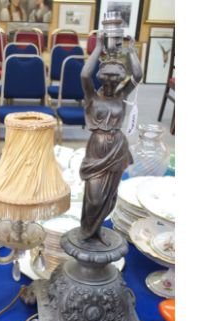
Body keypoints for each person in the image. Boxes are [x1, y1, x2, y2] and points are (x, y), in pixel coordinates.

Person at [79, 31, 142, 245]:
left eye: (114, 82)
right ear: (102, 79)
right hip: (96, 151)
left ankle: (96, 232)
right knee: (94, 197)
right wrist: (97, 47)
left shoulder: (122, 96)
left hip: (117, 148)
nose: (109, 86)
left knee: (109, 196)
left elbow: (138, 76)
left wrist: (132, 51)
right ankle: (86, 232)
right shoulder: (92, 96)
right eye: (106, 81)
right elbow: (85, 75)